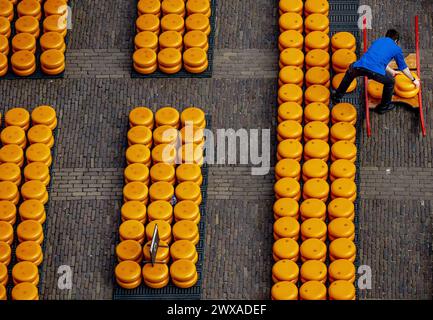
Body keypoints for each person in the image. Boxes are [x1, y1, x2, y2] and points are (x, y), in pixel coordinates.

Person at [331, 29, 421, 114]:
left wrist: (392, 71)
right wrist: (413, 79)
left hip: (359, 66)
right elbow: (403, 67)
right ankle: (383, 107)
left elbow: (377, 59)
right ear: (396, 40)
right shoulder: (396, 48)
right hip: (375, 72)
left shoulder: (379, 41)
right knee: (390, 82)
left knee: (349, 75)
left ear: (386, 36)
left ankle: (336, 97)